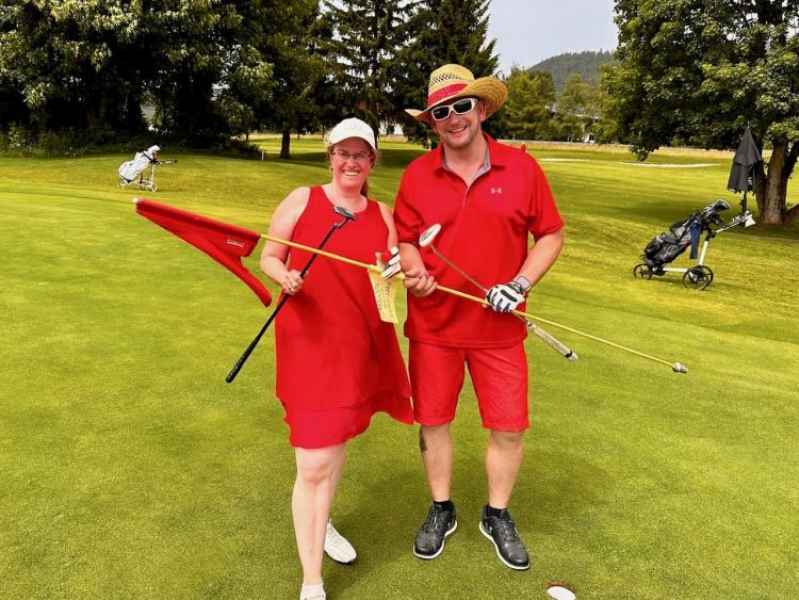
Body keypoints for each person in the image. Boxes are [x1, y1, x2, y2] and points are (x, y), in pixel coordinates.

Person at [393, 64, 565, 570]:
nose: (453, 118)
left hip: (500, 329)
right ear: (432, 122)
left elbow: (550, 235)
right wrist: (414, 269)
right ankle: (441, 507)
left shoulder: (522, 168)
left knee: (509, 428)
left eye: (461, 106)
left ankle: (497, 514)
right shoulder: (417, 175)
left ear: (482, 109)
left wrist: (520, 284)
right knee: (434, 422)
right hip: (434, 325)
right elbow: (406, 238)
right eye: (440, 112)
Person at [260, 118, 413, 600]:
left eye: (360, 154)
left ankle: (321, 522)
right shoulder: (301, 199)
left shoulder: (383, 214)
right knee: (313, 462)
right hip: (308, 344)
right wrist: (283, 276)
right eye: (343, 153)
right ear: (330, 156)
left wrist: (396, 270)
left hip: (358, 345)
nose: (351, 162)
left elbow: (391, 270)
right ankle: (312, 582)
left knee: (335, 443)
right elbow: (269, 256)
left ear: (372, 162)